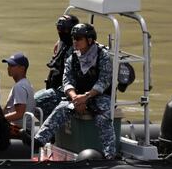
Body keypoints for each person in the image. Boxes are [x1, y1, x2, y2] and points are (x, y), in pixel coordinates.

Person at [33, 22, 116, 159]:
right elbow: (67, 81)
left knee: (103, 116)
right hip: (78, 96)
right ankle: (39, 140)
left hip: (98, 95)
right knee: (61, 108)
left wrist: (86, 96)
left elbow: (104, 81)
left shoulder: (103, 56)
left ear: (89, 40)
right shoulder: (73, 58)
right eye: (74, 38)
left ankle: (110, 154)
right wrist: (76, 98)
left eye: (78, 38)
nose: (75, 41)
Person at [34, 14, 80, 121]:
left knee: (34, 101)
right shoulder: (63, 43)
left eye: (63, 29)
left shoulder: (77, 49)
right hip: (56, 87)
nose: (60, 32)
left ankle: (53, 129)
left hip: (66, 90)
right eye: (58, 28)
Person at [1, 52, 35, 138]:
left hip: (19, 129)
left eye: (12, 66)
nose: (8, 68)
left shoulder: (19, 86)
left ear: (22, 68)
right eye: (8, 65)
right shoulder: (26, 83)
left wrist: (1, 119)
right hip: (24, 127)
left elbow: (19, 113)